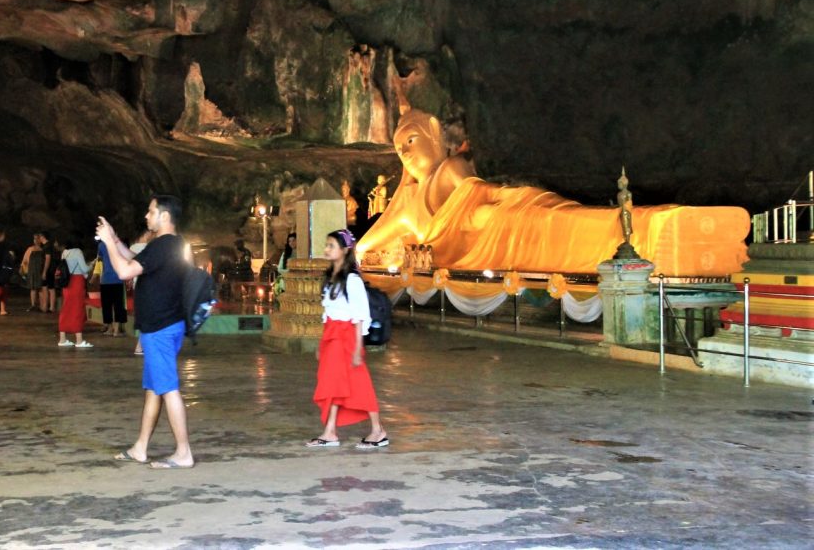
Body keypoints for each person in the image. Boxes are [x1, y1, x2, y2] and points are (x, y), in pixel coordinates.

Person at [355, 97, 749, 276]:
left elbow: (489, 195)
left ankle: (653, 225)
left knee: (563, 219)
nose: (405, 152)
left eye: (411, 139)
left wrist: (482, 213)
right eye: (398, 148)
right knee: (569, 228)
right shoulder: (407, 201)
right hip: (502, 237)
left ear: (436, 132)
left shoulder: (453, 168)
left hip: (515, 215)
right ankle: (649, 228)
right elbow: (366, 245)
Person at [97, 195, 194, 469]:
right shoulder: (170, 245)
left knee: (169, 388)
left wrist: (106, 243)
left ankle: (183, 452)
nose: (146, 216)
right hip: (164, 325)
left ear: (164, 216)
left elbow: (126, 271)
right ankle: (140, 448)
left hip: (161, 329)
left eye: (151, 212)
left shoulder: (163, 245)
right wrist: (115, 240)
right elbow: (137, 260)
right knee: (154, 388)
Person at [306, 229, 387, 450]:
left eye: (331, 245)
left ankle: (378, 430)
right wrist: (322, 342)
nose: (326, 249)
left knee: (358, 384)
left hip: (348, 337)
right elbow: (328, 312)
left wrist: (357, 349)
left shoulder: (352, 280)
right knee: (332, 382)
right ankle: (330, 431)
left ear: (344, 250)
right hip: (332, 335)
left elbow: (361, 315)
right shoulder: (330, 278)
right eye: (327, 245)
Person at [57, 237, 93, 348]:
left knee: (66, 308)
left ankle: (62, 339)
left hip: (67, 283)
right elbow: (84, 268)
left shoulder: (64, 253)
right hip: (77, 283)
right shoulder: (78, 252)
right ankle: (79, 340)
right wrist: (91, 264)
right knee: (77, 309)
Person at [95, 238, 129, 337]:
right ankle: (116, 330)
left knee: (106, 306)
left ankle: (109, 329)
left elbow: (99, 258)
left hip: (105, 280)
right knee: (119, 305)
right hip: (118, 279)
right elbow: (126, 258)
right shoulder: (121, 244)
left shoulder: (101, 245)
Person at [20, 232, 45, 312]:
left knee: (41, 288)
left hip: (40, 271)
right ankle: (33, 305)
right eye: (34, 238)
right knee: (33, 288)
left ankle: (42, 305)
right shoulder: (30, 249)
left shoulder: (44, 250)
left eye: (37, 238)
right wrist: (24, 270)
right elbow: (25, 261)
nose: (35, 240)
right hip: (32, 271)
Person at [0, 229, 16, 316]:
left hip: (2, 271)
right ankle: (1, 308)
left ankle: (2, 309)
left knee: (3, 290)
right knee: (0, 290)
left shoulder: (4, 245)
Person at [40, 232, 59, 314]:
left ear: (43, 237)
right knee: (51, 288)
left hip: (48, 270)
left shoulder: (47, 246)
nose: (39, 238)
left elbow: (48, 259)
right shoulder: (50, 246)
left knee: (47, 288)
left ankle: (46, 307)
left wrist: (44, 271)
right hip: (51, 270)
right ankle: (50, 307)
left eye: (40, 236)